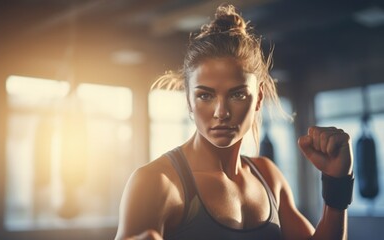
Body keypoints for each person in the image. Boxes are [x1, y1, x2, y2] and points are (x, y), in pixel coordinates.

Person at [115, 4, 353, 240]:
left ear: (258, 97)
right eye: (205, 95)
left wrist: (337, 185)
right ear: (188, 100)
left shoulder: (268, 176)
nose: (221, 112)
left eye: (237, 94)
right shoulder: (156, 182)